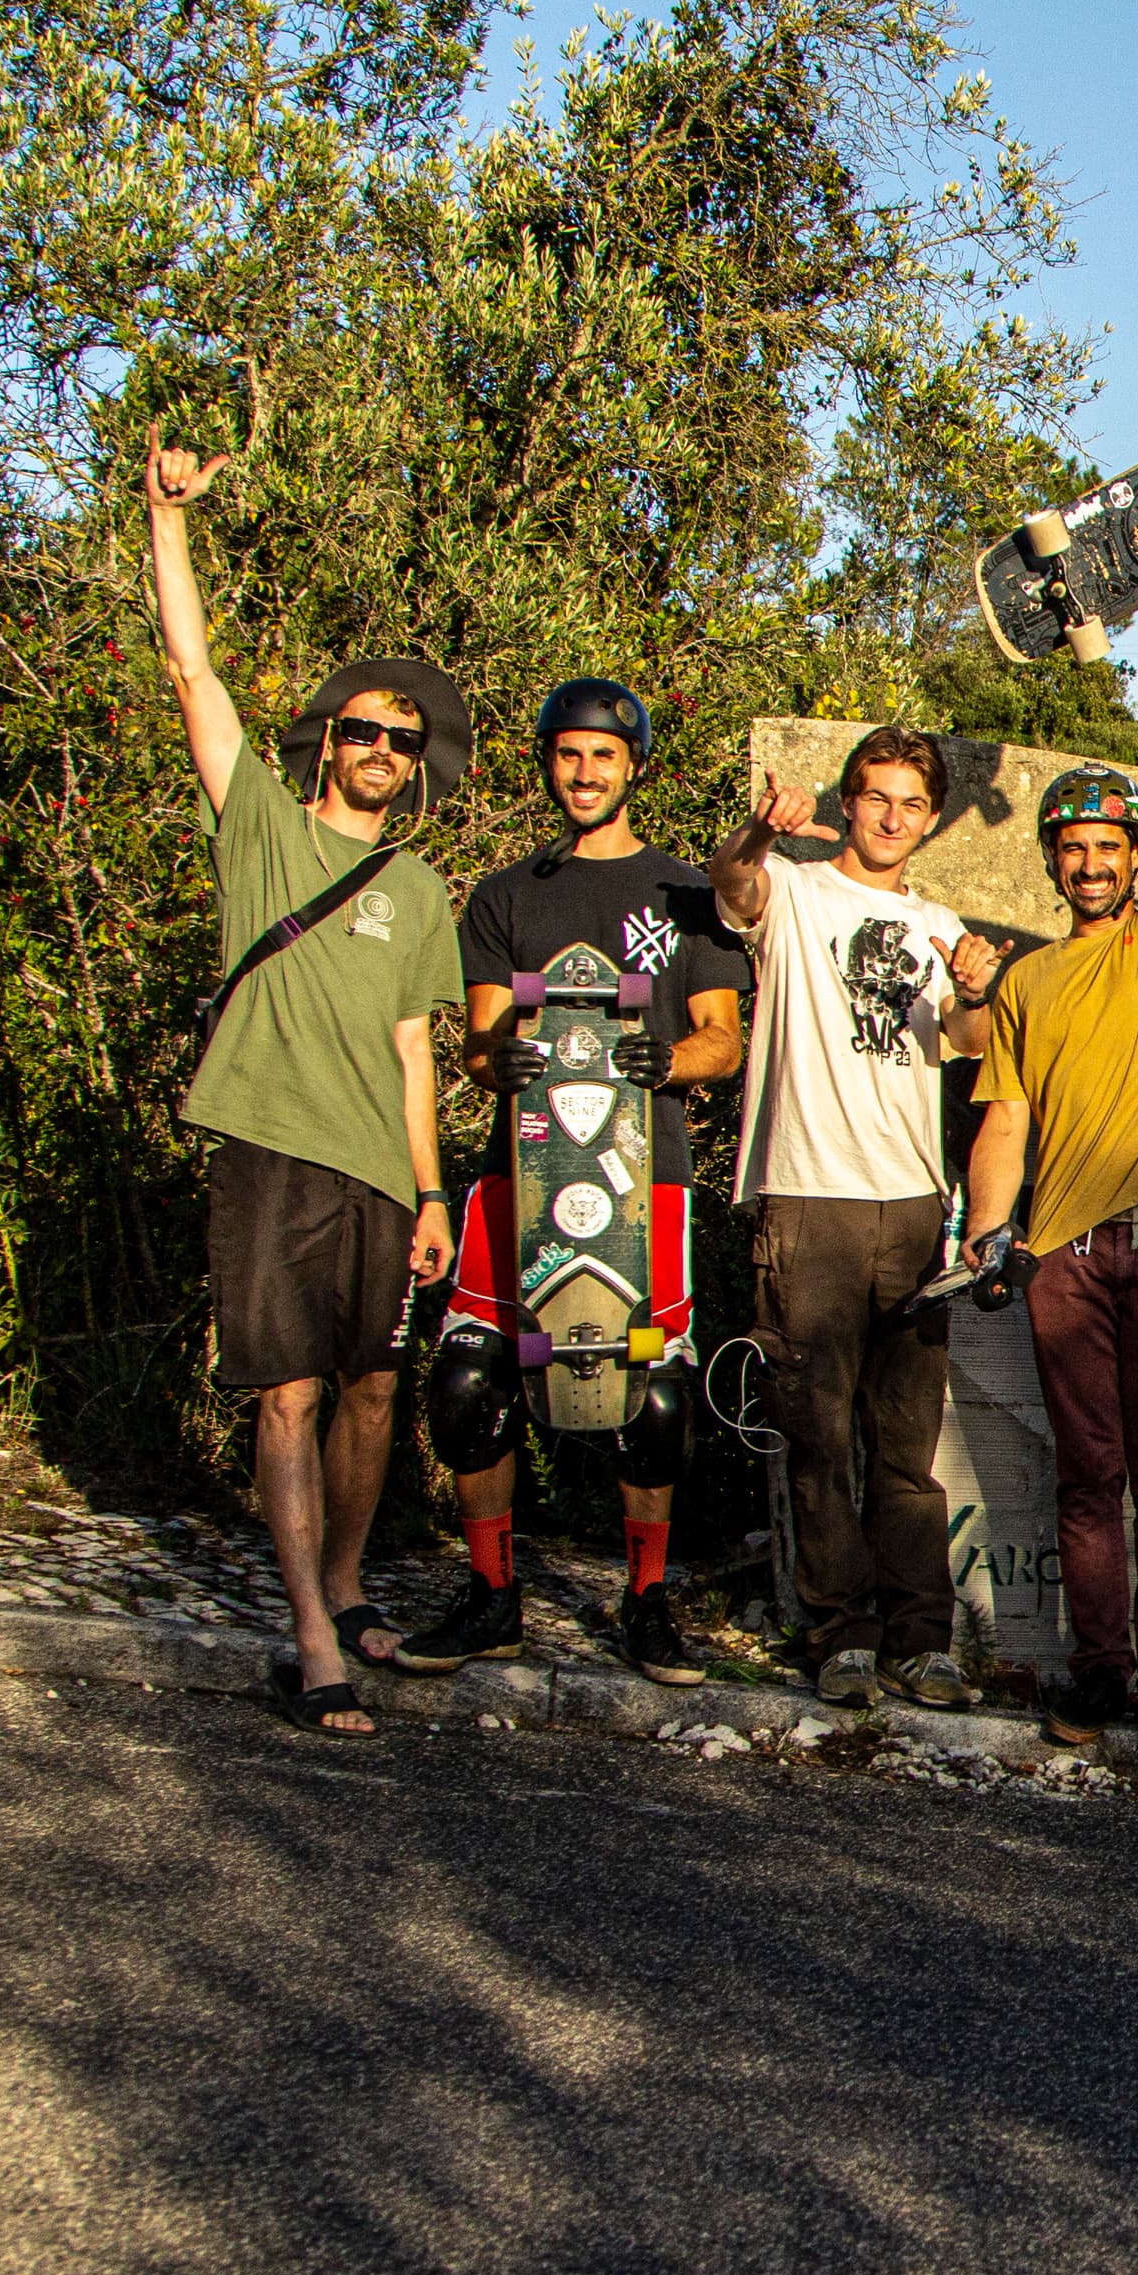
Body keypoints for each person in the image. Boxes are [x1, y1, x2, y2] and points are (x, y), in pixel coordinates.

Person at [142, 431, 465, 1738]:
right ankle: (313, 1635)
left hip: (385, 1175)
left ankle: (345, 1579)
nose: (382, 746)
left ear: (417, 765)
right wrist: (168, 519)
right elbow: (190, 669)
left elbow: (412, 1050)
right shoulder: (263, 826)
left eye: (402, 737)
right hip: (272, 1146)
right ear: (325, 742)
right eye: (362, 729)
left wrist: (434, 1189)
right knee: (287, 1390)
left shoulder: (422, 892)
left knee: (376, 1390)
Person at [390, 680, 749, 1689]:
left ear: (634, 763)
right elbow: (481, 1036)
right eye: (566, 755)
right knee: (468, 1385)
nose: (584, 773)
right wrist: (489, 1058)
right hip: (527, 1174)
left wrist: (667, 1063)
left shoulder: (686, 894)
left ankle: (644, 1601)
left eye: (603, 755)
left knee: (659, 1395)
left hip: (646, 1185)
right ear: (547, 763)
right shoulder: (507, 896)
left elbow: (723, 1042)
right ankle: (492, 1594)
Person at [961, 538, 1138, 1765]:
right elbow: (1004, 1118)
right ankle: (1102, 1675)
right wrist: (986, 1226)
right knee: (1087, 1480)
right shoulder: (1030, 982)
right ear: (1055, 861)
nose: (1089, 857)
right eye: (1069, 846)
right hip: (1064, 1256)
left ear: (1133, 851)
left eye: (1106, 840)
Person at [702, 726, 1003, 1710]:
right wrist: (753, 835)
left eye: (911, 803)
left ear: (929, 818)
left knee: (907, 1449)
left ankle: (922, 1641)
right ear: (846, 800)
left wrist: (973, 988)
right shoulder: (793, 889)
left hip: (914, 1202)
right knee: (819, 1438)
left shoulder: (936, 919)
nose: (891, 816)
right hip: (810, 1194)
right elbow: (732, 884)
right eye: (876, 796)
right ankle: (841, 1636)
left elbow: (965, 1042)